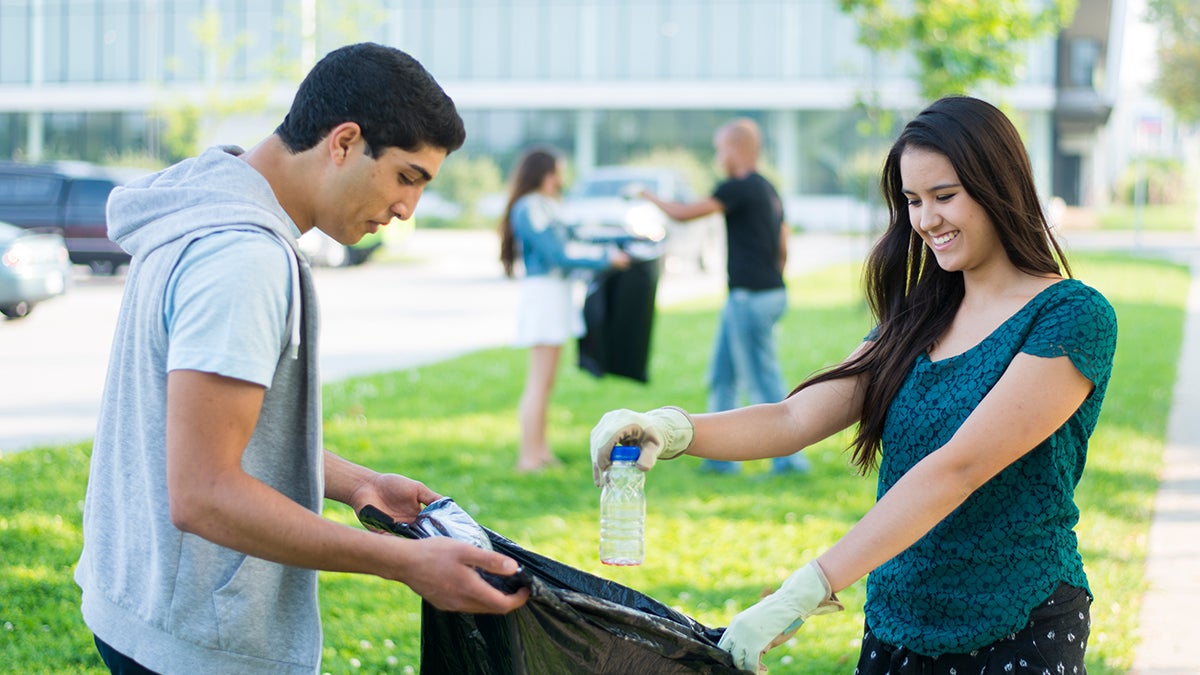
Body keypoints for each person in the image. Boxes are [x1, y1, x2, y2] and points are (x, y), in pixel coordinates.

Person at [589, 96, 1117, 674]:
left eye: (945, 197)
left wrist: (806, 589)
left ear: (1000, 187)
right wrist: (672, 428)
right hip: (897, 618)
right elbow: (795, 419)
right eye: (913, 201)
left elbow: (957, 469)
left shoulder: (1071, 316)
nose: (926, 221)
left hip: (1019, 624)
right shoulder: (917, 315)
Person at [75, 43, 528, 675]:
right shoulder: (242, 259)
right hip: (195, 645)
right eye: (406, 177)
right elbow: (204, 492)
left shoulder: (200, 207)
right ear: (343, 142)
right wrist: (407, 564)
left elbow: (207, 432)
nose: (407, 209)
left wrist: (358, 485)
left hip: (137, 602)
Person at [638, 117, 807, 475]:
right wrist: (774, 277)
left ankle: (790, 460)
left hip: (751, 297)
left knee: (762, 380)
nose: (718, 157)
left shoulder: (738, 187)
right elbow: (783, 240)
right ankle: (720, 462)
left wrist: (647, 195)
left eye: (720, 150)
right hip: (758, 294)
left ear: (735, 149)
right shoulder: (768, 188)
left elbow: (684, 215)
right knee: (723, 376)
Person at [499, 147, 630, 472]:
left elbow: (574, 238)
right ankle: (528, 457)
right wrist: (605, 260)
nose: (562, 177)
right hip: (543, 295)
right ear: (545, 174)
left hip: (554, 294)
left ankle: (541, 451)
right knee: (538, 381)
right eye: (558, 171)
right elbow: (558, 254)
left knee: (547, 383)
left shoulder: (546, 205)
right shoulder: (530, 207)